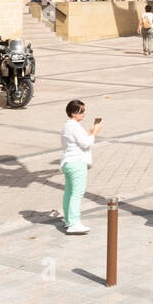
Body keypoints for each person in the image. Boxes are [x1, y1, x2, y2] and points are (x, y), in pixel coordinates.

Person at [60, 99, 102, 235]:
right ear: (73, 113)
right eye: (81, 111)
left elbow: (79, 141)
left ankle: (68, 220)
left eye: (84, 111)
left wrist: (90, 132)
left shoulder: (68, 126)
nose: (83, 114)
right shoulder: (74, 126)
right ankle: (74, 223)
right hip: (77, 163)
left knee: (69, 193)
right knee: (76, 194)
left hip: (68, 162)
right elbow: (85, 144)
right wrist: (95, 132)